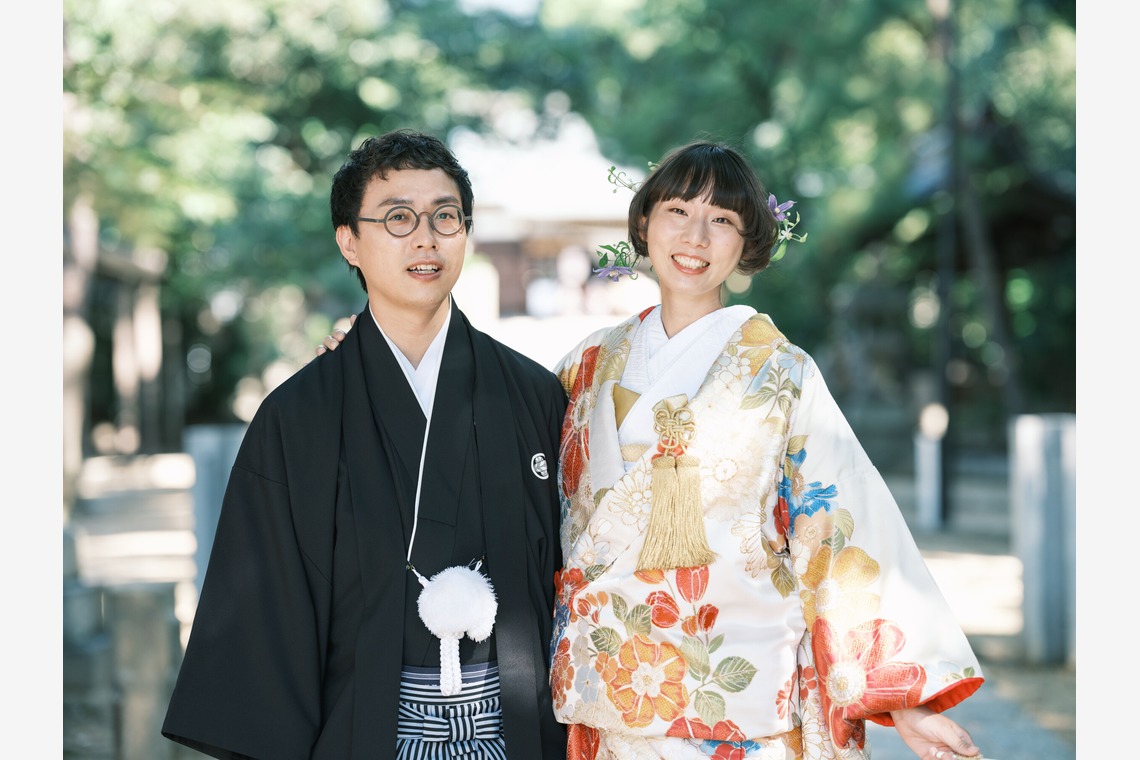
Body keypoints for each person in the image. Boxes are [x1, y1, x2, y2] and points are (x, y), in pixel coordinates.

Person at [547, 140, 985, 759]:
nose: (696, 236)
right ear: (644, 224)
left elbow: (837, 528)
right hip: (604, 687)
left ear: (746, 243)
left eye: (721, 220)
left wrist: (904, 699)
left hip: (732, 696)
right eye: (677, 211)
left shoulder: (781, 376)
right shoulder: (586, 366)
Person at [162, 129, 568, 759]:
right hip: (365, 732)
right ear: (348, 240)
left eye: (445, 217)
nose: (426, 238)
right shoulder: (298, 416)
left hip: (514, 733)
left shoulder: (535, 396)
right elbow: (265, 610)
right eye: (398, 218)